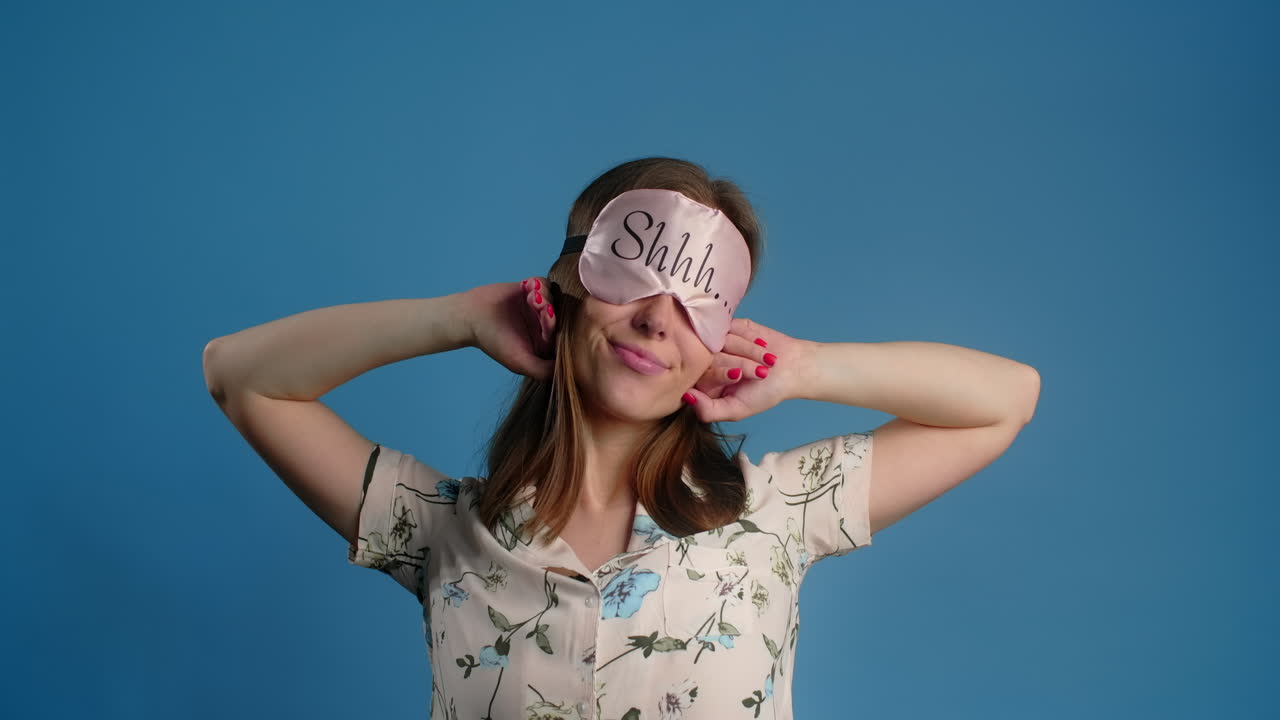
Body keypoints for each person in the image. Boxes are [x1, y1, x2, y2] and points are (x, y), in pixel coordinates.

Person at [203, 156, 1040, 719]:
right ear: (568, 284)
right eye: (634, 273)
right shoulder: (440, 531)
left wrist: (808, 366)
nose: (656, 318)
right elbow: (240, 376)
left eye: (698, 301)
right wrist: (456, 318)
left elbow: (1006, 399)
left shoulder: (779, 514)